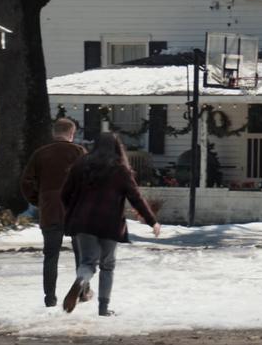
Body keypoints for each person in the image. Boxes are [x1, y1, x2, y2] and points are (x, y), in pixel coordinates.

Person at [60, 132, 161, 316]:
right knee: (108, 265)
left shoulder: (81, 165)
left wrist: (74, 210)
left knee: (87, 262)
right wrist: (152, 221)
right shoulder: (120, 170)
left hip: (83, 221)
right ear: (117, 148)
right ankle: (103, 308)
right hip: (109, 222)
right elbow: (135, 198)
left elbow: (64, 193)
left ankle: (81, 280)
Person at [21, 117, 90, 308]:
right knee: (82, 255)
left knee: (51, 256)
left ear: (54, 133)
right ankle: (83, 292)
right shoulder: (79, 153)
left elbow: (26, 182)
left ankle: (50, 297)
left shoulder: (41, 154)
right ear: (71, 133)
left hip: (50, 209)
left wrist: (39, 200)